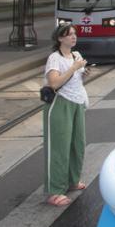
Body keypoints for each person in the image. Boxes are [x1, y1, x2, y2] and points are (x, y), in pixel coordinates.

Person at [42, 24, 90, 207]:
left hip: (77, 103)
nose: (73, 37)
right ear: (60, 39)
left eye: (74, 34)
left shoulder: (76, 55)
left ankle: (72, 180)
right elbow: (54, 83)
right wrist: (73, 68)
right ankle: (55, 190)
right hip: (60, 104)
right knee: (59, 147)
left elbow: (76, 80)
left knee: (77, 144)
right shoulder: (55, 58)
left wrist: (83, 72)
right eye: (69, 35)